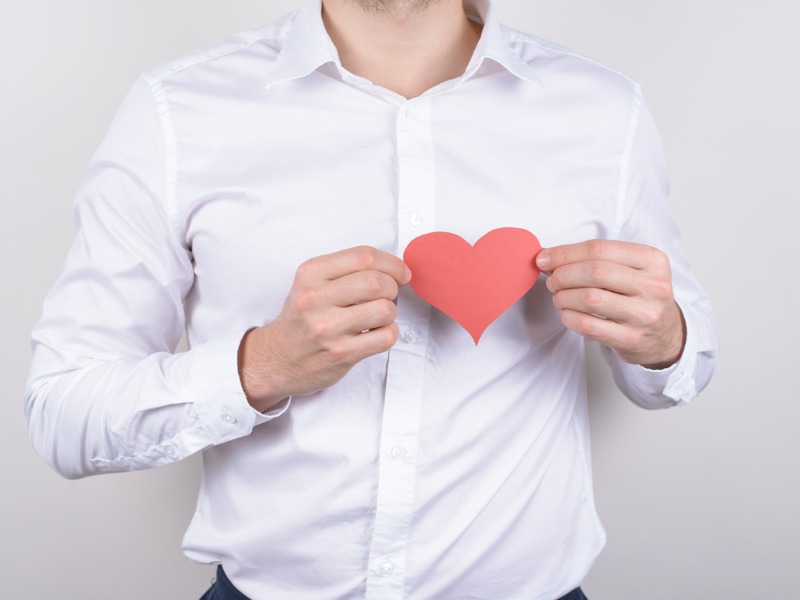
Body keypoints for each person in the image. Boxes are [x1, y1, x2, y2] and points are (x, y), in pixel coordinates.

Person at [25, 0, 718, 598]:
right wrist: (260, 368)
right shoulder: (177, 113)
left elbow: (678, 368)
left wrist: (663, 341)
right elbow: (63, 412)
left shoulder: (602, 111)